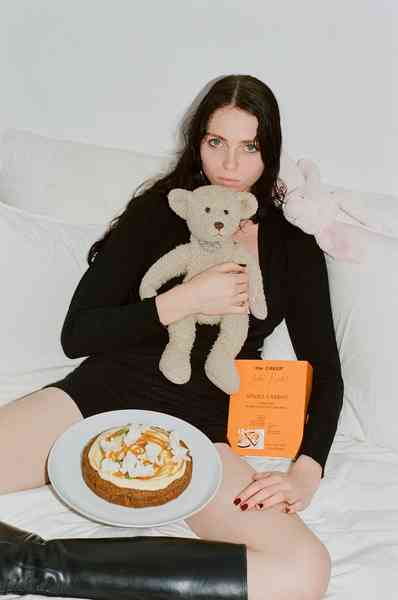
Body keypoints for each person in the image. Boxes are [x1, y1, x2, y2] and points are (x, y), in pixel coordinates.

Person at [0, 74, 343, 600]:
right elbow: (78, 332)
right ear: (197, 143)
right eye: (216, 143)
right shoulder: (161, 211)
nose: (230, 166)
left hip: (202, 429)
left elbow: (327, 372)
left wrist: (306, 472)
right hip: (100, 397)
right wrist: (184, 300)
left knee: (303, 569)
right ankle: (27, 565)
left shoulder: (293, 247)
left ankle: (37, 568)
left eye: (249, 146)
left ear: (269, 151)